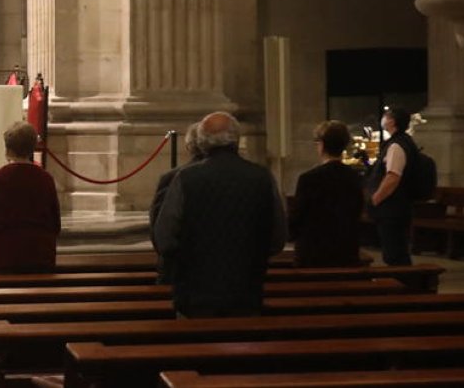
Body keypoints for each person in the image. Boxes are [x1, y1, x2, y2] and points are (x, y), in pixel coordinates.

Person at [152, 111, 287, 317]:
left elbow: (165, 238)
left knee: (196, 348)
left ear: (203, 142)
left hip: (195, 294)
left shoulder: (186, 178)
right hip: (246, 291)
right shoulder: (262, 177)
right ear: (237, 139)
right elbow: (277, 238)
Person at [0, 121, 60, 274]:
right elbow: (55, 224)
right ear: (32, 147)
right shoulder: (46, 179)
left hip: (2, 261)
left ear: (8, 149)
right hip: (41, 261)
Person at [290, 121, 364, 267]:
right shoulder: (354, 177)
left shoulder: (309, 178)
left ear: (322, 145)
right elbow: (357, 211)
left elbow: (297, 216)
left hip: (313, 253)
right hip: (346, 252)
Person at [149, 121, 202, 283]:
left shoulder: (173, 178)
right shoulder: (255, 175)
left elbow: (160, 230)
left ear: (189, 147)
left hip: (180, 272)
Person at [365, 107, 416, 266]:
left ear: (392, 121)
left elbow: (393, 177)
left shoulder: (396, 146)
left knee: (394, 254)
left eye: (385, 116)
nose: (383, 119)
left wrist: (376, 198)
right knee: (395, 250)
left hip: (392, 209)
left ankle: (404, 285)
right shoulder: (402, 141)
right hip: (396, 208)